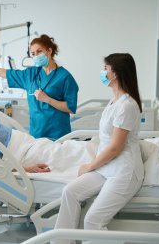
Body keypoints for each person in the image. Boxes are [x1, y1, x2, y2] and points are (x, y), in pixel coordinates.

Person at [52, 53, 144, 244]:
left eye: (105, 69)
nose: (102, 72)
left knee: (92, 221)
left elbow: (115, 148)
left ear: (115, 74)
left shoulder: (127, 106)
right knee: (70, 192)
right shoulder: (114, 102)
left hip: (123, 172)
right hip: (108, 167)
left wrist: (89, 166)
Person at [0, 34, 79, 141]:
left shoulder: (65, 77)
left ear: (49, 51)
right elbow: (4, 73)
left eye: (39, 52)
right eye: (33, 54)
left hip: (58, 133)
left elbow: (70, 107)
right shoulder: (31, 74)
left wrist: (47, 99)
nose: (36, 56)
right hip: (37, 133)